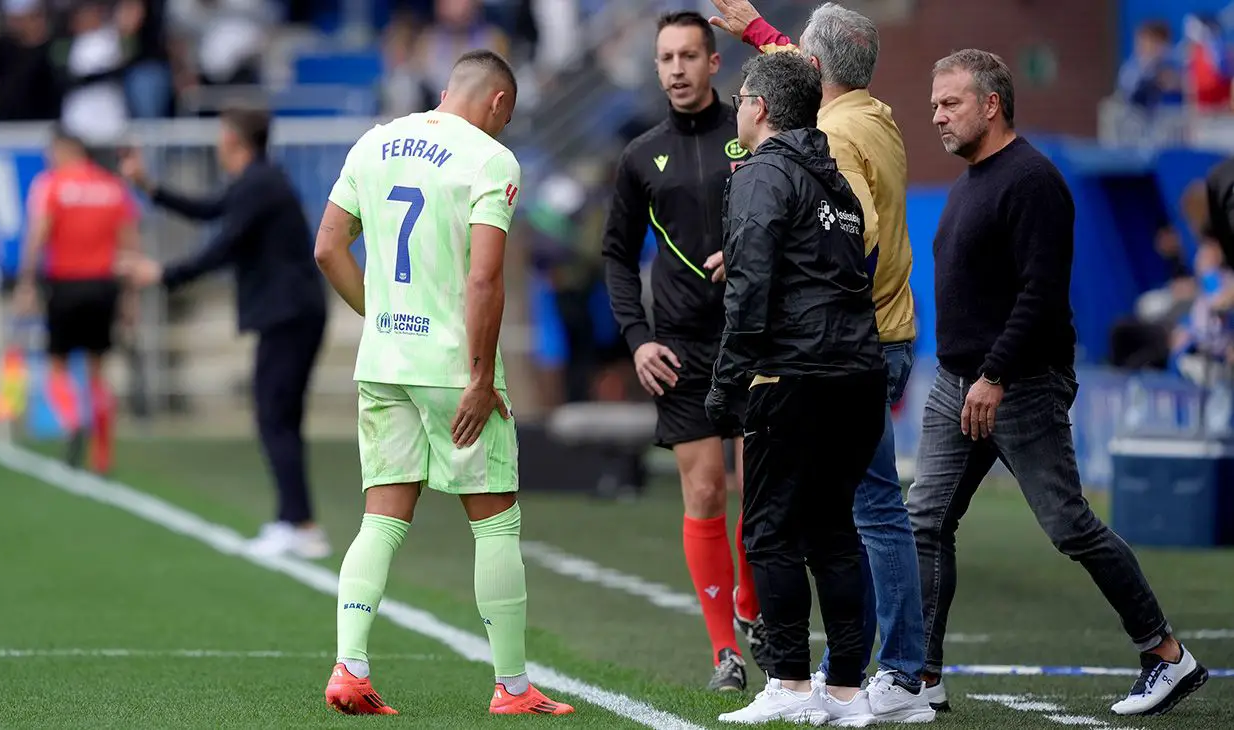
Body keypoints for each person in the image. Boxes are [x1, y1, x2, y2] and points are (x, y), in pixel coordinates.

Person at [912, 48, 1208, 717]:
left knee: (1069, 525)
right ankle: (920, 676)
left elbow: (1041, 295)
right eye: (934, 103)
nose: (937, 115)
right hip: (953, 384)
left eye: (949, 102)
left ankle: (1166, 654)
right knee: (924, 522)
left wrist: (994, 374)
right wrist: (967, 375)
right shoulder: (967, 182)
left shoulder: (1033, 180)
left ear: (991, 103)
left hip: (1016, 384)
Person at [312, 49, 575, 717]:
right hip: (454, 369)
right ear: (496, 102)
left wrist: (378, 316)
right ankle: (513, 687)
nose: (505, 130)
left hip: (384, 363)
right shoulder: (489, 160)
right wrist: (482, 379)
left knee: (382, 519)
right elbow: (485, 279)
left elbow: (328, 246)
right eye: (506, 117)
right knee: (495, 526)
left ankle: (349, 667)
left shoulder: (373, 143)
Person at [705, 2, 932, 721]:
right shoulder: (870, 121)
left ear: (761, 105)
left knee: (787, 526)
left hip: (806, 362)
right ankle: (851, 686)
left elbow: (770, 281)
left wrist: (728, 382)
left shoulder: (800, 155)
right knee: (843, 526)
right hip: (860, 356)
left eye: (743, 99)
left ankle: (860, 680)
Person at [601, 10, 763, 692]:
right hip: (681, 348)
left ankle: (754, 608)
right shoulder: (640, 155)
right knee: (704, 491)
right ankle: (724, 649)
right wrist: (638, 341)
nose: (675, 68)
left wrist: (754, 254)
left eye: (688, 56)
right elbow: (615, 253)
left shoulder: (753, 135)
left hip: (758, 339)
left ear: (713, 62)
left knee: (761, 496)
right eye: (665, 57)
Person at [118, 105, 330, 560]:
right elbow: (210, 209)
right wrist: (149, 186)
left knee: (275, 417)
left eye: (221, 133)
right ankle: (293, 519)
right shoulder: (256, 182)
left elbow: (222, 245)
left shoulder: (260, 185)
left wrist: (163, 273)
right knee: (279, 418)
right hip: (291, 313)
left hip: (289, 315)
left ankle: (302, 525)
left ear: (235, 139)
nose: (216, 141)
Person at [13, 126, 139, 474]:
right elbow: (129, 243)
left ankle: (71, 420)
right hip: (103, 285)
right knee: (98, 372)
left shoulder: (51, 185)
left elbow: (38, 234)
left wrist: (26, 284)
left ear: (65, 149)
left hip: (65, 285)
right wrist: (130, 297)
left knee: (57, 366)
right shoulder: (112, 187)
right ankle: (102, 454)